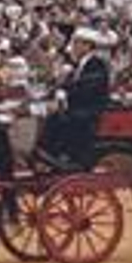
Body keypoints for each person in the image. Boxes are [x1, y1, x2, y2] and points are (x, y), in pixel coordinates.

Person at [40, 26, 114, 172]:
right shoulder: (80, 64)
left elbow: (86, 86)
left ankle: (60, 155)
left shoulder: (96, 63)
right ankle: (52, 155)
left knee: (59, 118)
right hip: (81, 107)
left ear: (87, 46)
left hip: (91, 110)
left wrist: (65, 92)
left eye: (76, 44)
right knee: (52, 115)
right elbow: (71, 84)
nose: (73, 47)